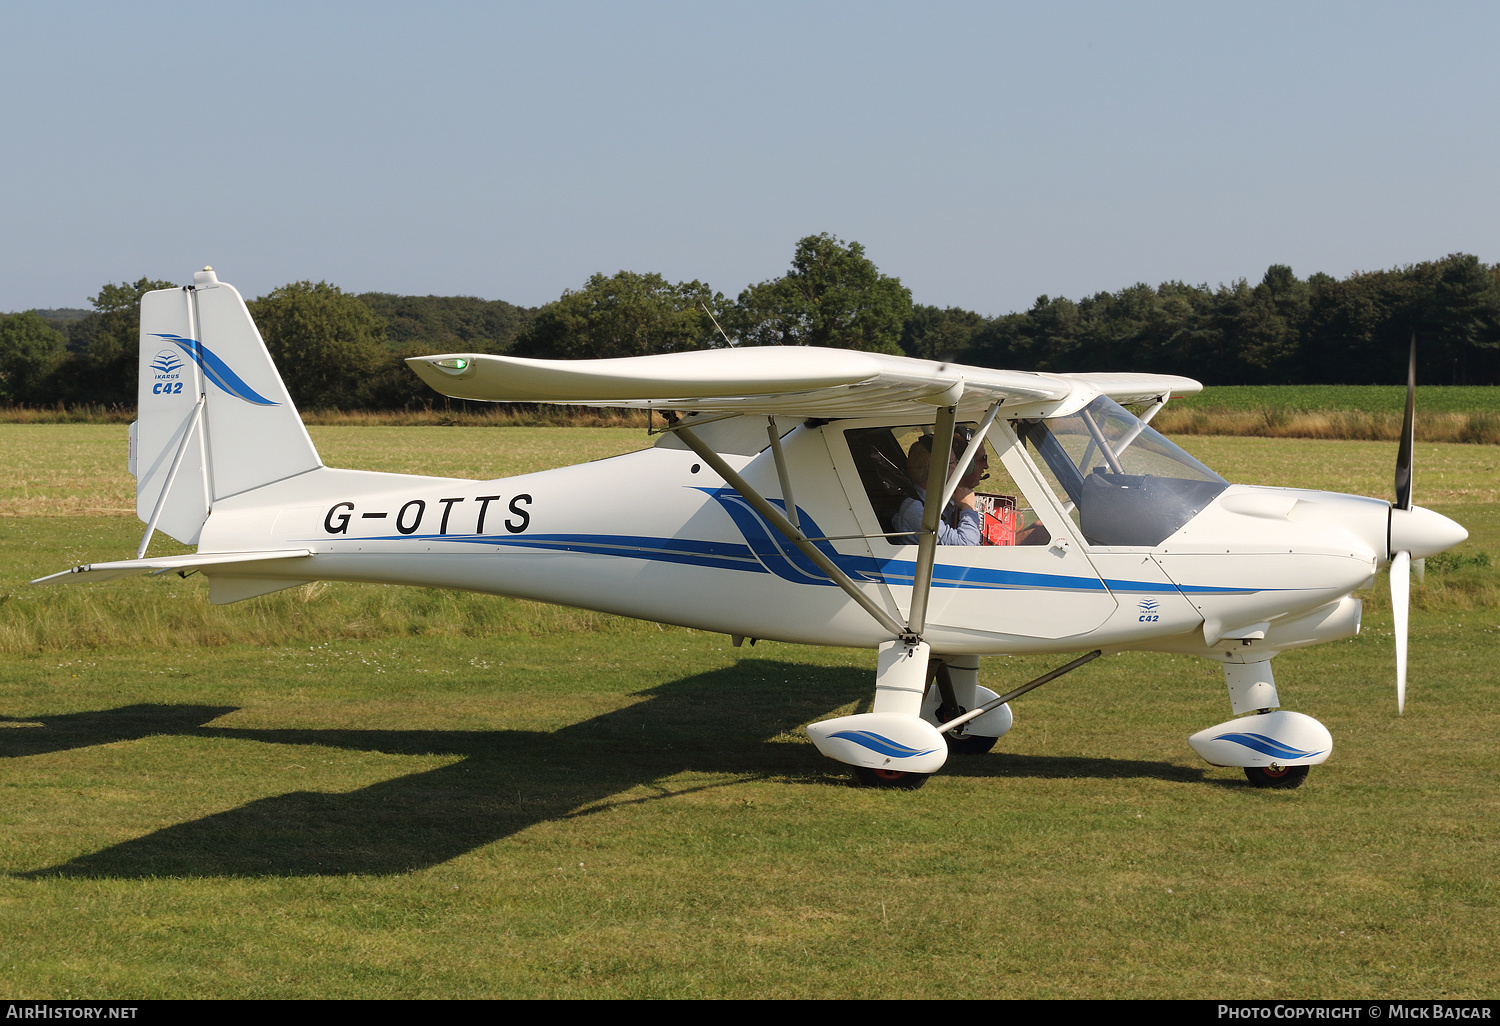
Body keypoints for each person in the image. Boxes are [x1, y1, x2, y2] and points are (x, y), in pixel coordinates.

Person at [893, 433, 984, 545]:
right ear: (939, 472)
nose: (957, 467)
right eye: (954, 462)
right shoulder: (914, 510)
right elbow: (966, 546)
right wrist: (967, 508)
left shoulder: (938, 498)